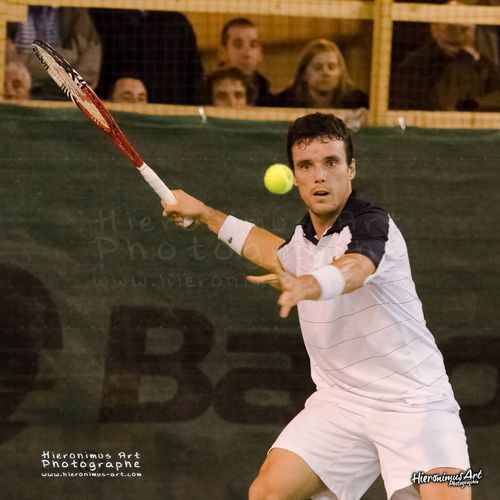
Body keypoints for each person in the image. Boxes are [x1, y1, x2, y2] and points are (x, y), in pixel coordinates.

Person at [161, 113, 471, 499]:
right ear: (294, 176)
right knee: (267, 493)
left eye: (331, 163)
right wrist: (205, 214)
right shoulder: (303, 239)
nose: (319, 176)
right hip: (341, 404)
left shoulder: (375, 225)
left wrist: (309, 284)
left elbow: (356, 267)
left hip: (416, 403)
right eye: (306, 166)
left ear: (351, 168)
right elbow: (272, 250)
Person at [391, 2, 500, 111]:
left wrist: (475, 103)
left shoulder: (483, 64)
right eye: (452, 27)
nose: (460, 33)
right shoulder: (416, 64)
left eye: (465, 28)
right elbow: (444, 104)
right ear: (435, 29)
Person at [90, 9, 204, 105]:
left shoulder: (178, 22)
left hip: (166, 117)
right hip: (112, 116)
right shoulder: (102, 15)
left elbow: (193, 77)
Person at [9, 7, 101, 100]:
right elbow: (9, 66)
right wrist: (69, 60)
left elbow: (88, 75)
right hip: (16, 94)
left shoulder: (74, 8)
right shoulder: (7, 6)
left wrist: (22, 61)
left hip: (64, 98)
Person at [271, 39, 368, 109]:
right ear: (303, 74)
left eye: (331, 67)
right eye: (317, 67)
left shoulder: (359, 103)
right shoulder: (283, 103)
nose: (326, 73)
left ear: (340, 72)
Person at [218, 17, 272, 106]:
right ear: (222, 52)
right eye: (238, 45)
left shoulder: (272, 103)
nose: (247, 54)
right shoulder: (201, 96)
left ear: (260, 53)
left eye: (253, 45)